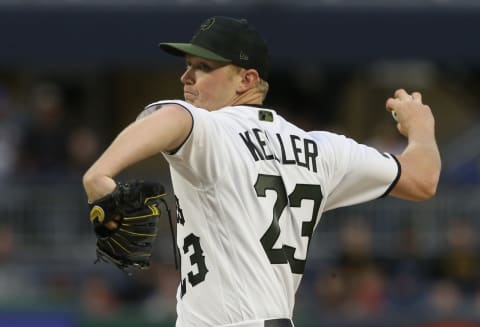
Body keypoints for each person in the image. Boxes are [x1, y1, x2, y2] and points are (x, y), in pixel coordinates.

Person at [83, 16, 441, 327]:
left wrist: (101, 173)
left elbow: (174, 117)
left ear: (246, 79)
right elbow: (422, 179)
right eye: (188, 65)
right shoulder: (322, 150)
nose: (186, 76)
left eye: (203, 67)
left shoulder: (213, 130)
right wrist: (421, 127)